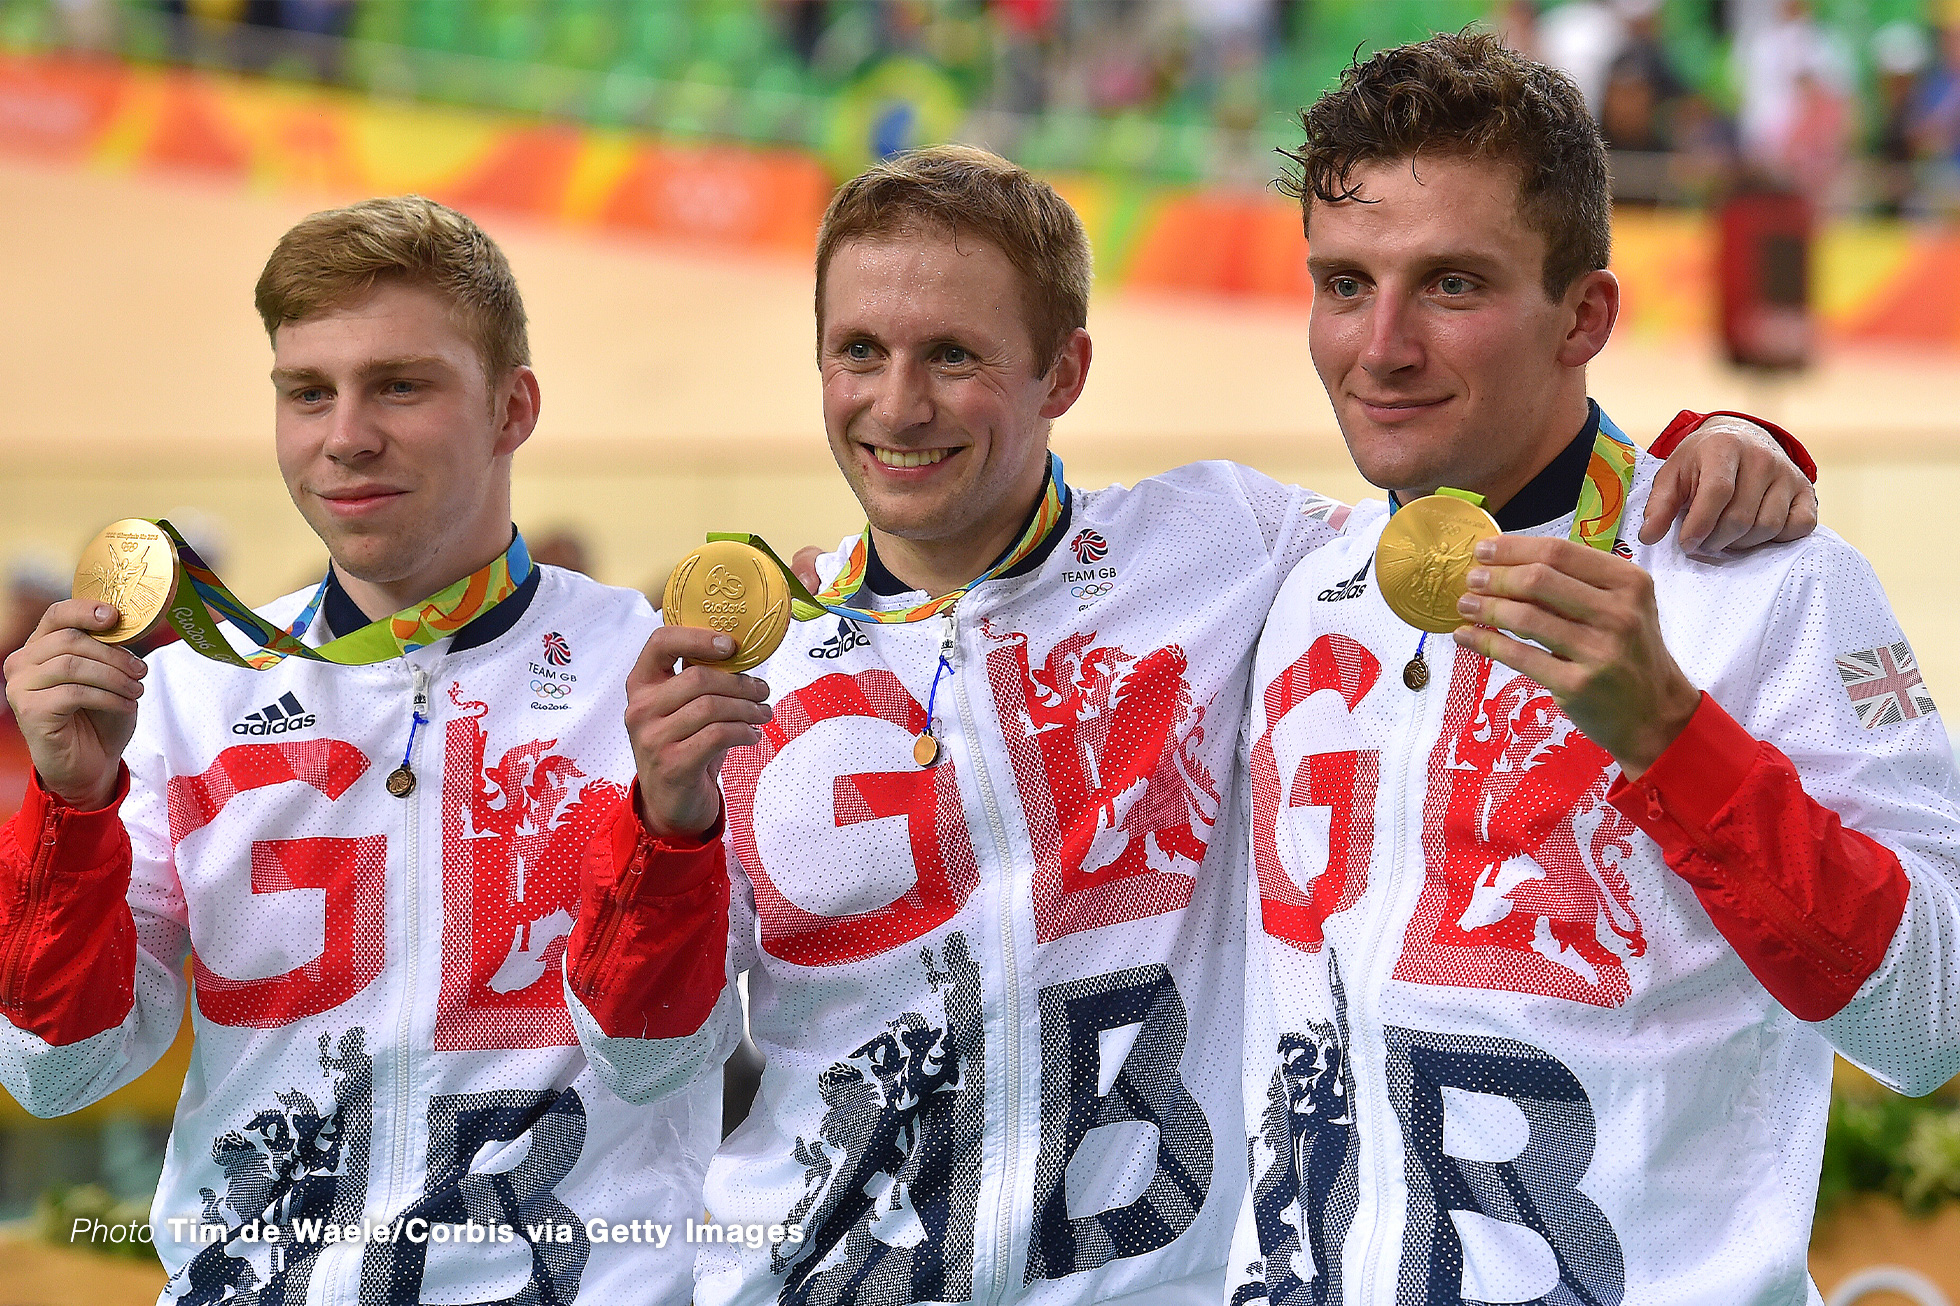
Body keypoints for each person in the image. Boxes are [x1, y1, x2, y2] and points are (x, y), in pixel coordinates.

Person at [561, 146, 1820, 1306]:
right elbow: (640, 1067)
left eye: (953, 354)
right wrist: (664, 828)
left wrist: (1715, 451)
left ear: (1063, 373)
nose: (898, 405)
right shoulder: (742, 665)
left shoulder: (1231, 549)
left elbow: (1481, 507)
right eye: (858, 352)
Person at [1234, 31, 1960, 1306]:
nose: (1380, 347)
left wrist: (1675, 741)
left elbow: (1927, 1021)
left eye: (1450, 285)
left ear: (1586, 313)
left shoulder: (1770, 582)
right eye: (1344, 283)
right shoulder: (1288, 579)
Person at [0, 196, 726, 1305]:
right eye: (308, 392)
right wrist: (70, 807)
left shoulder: (655, 678)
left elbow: (662, 1057)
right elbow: (57, 1071)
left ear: (511, 407)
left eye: (399, 384)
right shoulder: (190, 694)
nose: (345, 435)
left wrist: (674, 833)